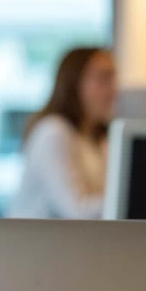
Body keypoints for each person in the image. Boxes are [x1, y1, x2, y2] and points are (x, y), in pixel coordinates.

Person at [8, 47, 117, 220]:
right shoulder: (53, 132)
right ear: (74, 82)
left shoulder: (95, 138)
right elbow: (76, 210)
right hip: (36, 244)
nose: (113, 90)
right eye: (103, 78)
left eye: (113, 79)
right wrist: (128, 200)